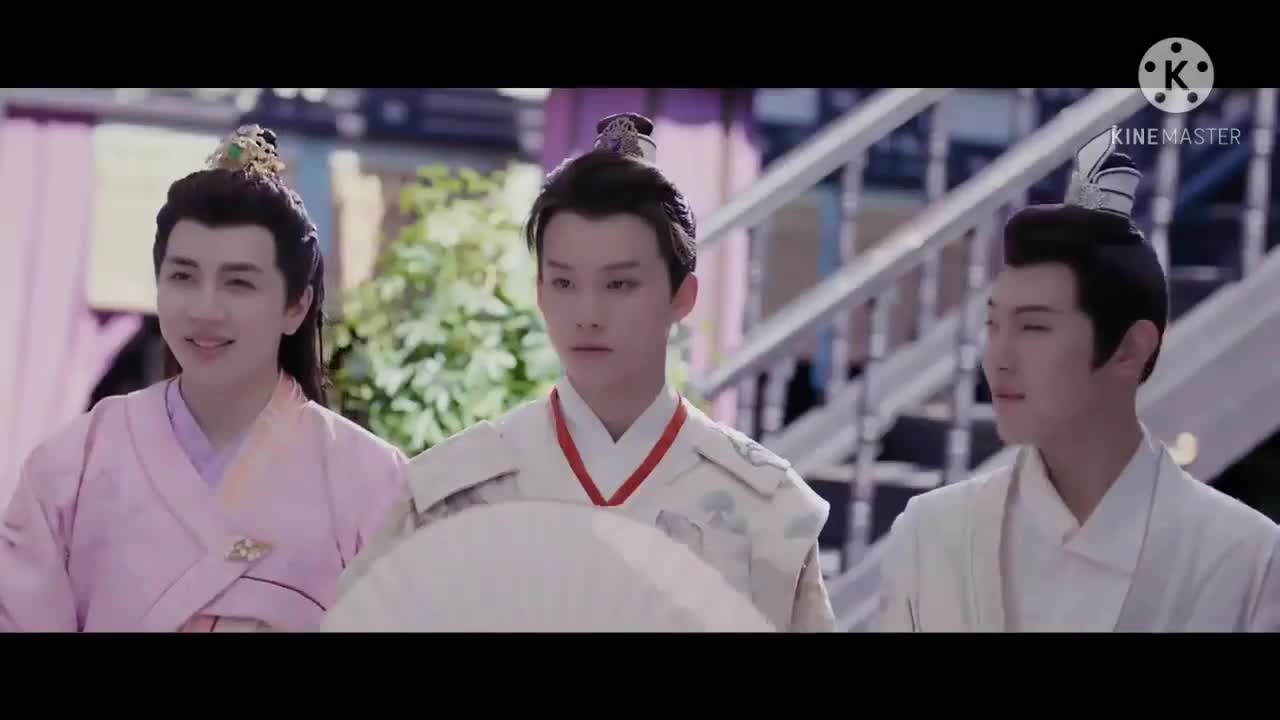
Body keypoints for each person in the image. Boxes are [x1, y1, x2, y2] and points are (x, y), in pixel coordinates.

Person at [339, 113, 835, 632]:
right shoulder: (454, 491)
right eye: (565, 283)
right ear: (540, 292)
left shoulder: (766, 512)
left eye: (620, 285)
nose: (588, 314)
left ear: (681, 297)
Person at [0, 124, 408, 632]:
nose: (205, 309)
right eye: (183, 277)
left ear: (296, 306)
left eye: (239, 283)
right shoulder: (72, 466)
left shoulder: (371, 480)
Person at [875, 128, 1280, 632]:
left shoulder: (1245, 557)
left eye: (1034, 327)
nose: (998, 358)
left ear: (1130, 348)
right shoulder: (931, 532)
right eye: (993, 325)